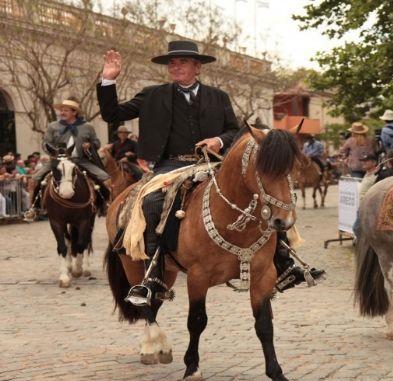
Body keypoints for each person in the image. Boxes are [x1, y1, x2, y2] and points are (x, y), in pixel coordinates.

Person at [97, 40, 323, 306]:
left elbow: (234, 130)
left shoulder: (219, 97)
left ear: (197, 67)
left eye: (182, 62)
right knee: (151, 201)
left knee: (264, 194)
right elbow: (112, 114)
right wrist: (108, 81)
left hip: (214, 164)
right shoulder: (151, 95)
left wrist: (218, 140)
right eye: (172, 62)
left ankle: (284, 263)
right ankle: (154, 274)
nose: (175, 66)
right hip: (171, 165)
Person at [24, 98, 111, 220]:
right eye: (61, 110)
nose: (62, 113)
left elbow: (96, 142)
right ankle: (34, 208)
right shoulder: (53, 126)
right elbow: (45, 143)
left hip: (81, 160)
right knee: (34, 179)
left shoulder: (87, 127)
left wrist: (90, 145)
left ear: (74, 112)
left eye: (65, 110)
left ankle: (104, 206)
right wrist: (54, 151)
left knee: (105, 178)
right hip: (58, 160)